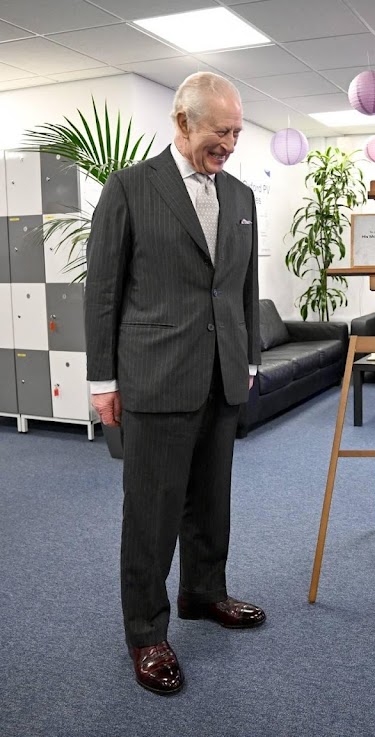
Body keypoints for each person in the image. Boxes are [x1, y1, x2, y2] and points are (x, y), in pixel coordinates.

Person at [85, 71, 264, 696]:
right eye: (221, 132)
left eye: (237, 132)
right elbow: (103, 291)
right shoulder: (130, 188)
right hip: (155, 376)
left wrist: (250, 359)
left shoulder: (240, 196)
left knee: (212, 501)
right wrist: (102, 379)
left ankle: (202, 593)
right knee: (152, 512)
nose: (231, 144)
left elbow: (242, 287)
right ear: (183, 123)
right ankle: (146, 632)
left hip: (222, 375)